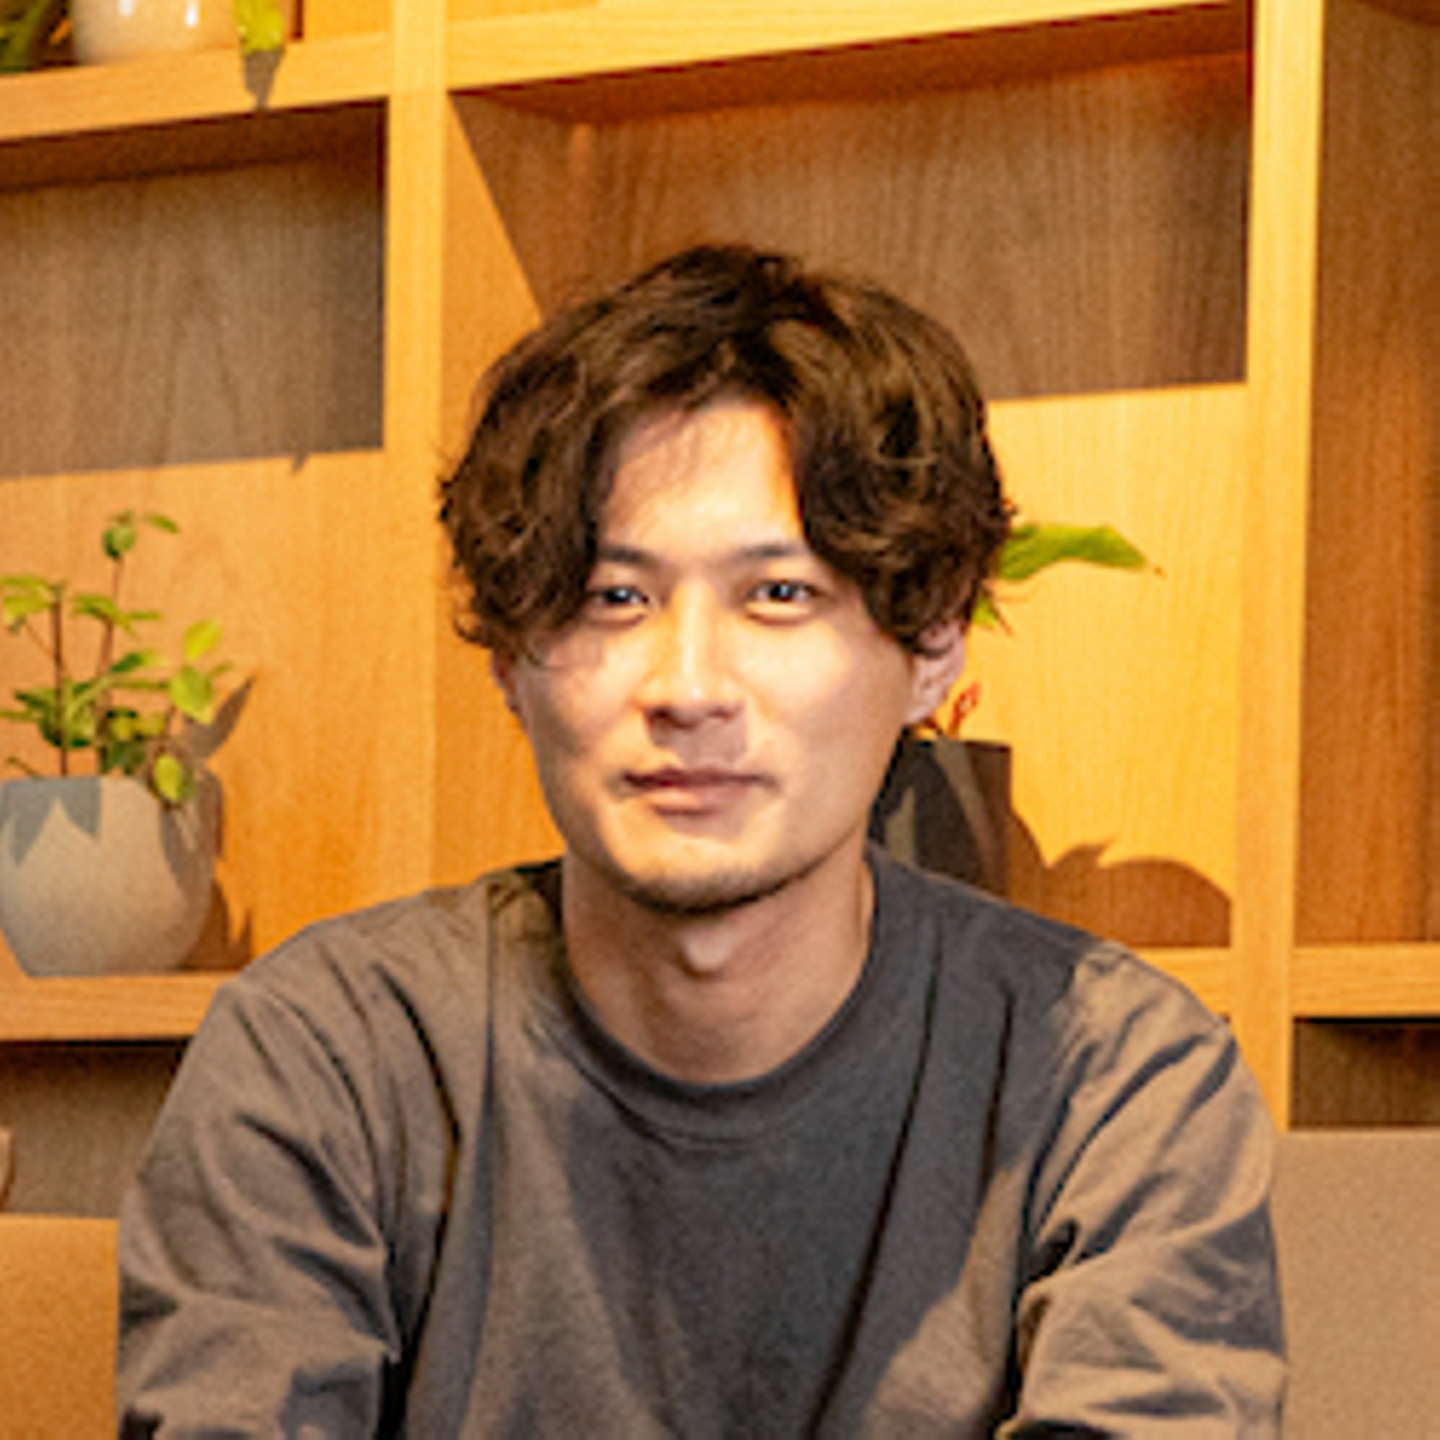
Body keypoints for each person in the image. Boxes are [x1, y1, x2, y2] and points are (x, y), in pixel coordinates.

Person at [117, 244, 1284, 1435]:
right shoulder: (326, 1059)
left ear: (934, 647)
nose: (687, 687)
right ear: (511, 659)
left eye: (779, 595)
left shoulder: (1113, 1079)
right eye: (613, 598)